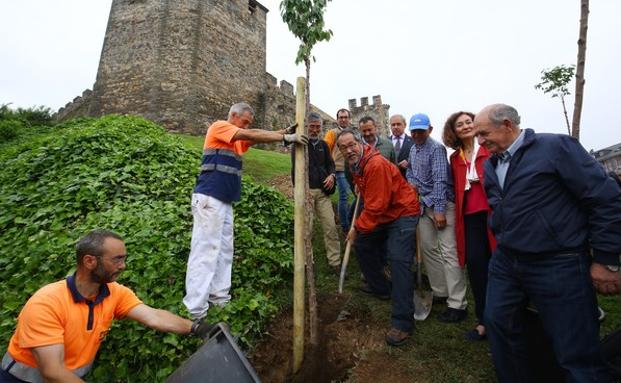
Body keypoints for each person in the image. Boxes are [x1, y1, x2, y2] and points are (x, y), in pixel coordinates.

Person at [476, 103, 621, 382]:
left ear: (507, 124)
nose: (480, 141)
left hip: (558, 262)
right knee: (498, 323)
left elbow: (605, 198)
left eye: (483, 133)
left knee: (575, 350)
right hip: (508, 261)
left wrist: (607, 258)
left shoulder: (555, 148)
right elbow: (500, 205)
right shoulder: (492, 164)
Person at [1, 230, 213, 383]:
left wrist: (196, 328)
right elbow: (52, 371)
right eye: (117, 260)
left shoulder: (113, 292)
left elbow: (153, 316)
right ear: (90, 261)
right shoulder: (47, 303)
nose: (123, 266)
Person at [184, 102, 307, 320]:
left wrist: (283, 133)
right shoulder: (219, 126)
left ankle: (220, 299)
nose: (248, 126)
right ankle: (195, 311)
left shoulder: (236, 138)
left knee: (224, 250)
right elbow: (248, 134)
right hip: (210, 198)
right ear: (233, 115)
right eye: (245, 121)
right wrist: (284, 138)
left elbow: (252, 136)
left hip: (224, 200)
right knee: (205, 252)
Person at [337, 128, 420, 347]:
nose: (348, 150)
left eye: (351, 145)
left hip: (402, 211)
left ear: (360, 143)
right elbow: (370, 197)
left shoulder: (376, 164)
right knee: (363, 245)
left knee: (398, 258)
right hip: (384, 212)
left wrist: (356, 228)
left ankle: (403, 322)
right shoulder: (355, 163)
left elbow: (376, 206)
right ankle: (381, 288)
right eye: (343, 148)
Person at [406, 113, 468, 323]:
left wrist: (439, 210)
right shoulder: (413, 149)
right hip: (423, 205)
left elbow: (441, 180)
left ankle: (458, 303)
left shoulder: (436, 149)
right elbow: (411, 173)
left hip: (442, 204)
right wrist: (412, 182)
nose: (417, 134)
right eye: (414, 131)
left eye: (421, 130)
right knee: (428, 248)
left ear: (430, 129)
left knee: (449, 252)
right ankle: (440, 291)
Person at [442, 111, 496, 340]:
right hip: (470, 217)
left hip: (495, 215)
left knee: (502, 264)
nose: (465, 127)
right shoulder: (455, 159)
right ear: (453, 131)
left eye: (468, 122)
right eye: (459, 125)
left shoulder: (490, 150)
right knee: (476, 265)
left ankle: (510, 315)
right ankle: (484, 320)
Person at [291, 112, 341, 274]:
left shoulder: (324, 145)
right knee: (307, 229)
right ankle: (307, 263)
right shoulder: (299, 145)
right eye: (312, 127)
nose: (315, 130)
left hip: (323, 193)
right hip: (307, 192)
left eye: (318, 127)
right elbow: (295, 170)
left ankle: (335, 262)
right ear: (306, 126)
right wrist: (300, 191)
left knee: (331, 228)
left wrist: (332, 176)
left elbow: (331, 165)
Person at [324, 108, 355, 233]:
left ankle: (352, 220)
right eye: (341, 117)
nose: (343, 119)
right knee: (344, 196)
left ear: (349, 119)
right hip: (339, 169)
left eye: (345, 117)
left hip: (353, 169)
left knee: (357, 195)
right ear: (337, 119)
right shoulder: (332, 133)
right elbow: (325, 149)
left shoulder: (353, 134)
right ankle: (345, 226)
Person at [389, 114, 413, 178]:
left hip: (408, 182)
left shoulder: (413, 142)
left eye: (398, 124)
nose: (395, 127)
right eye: (393, 125)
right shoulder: (385, 143)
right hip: (391, 181)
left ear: (405, 125)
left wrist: (409, 162)